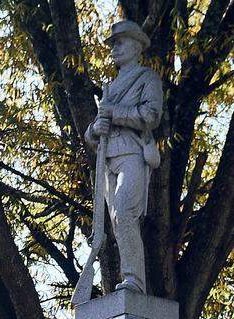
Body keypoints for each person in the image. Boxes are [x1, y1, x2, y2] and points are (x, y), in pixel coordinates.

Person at [84, 20, 163, 295]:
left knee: (125, 209)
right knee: (117, 218)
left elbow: (152, 115)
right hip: (108, 158)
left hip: (133, 152)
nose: (114, 48)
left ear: (136, 46)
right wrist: (95, 129)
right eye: (113, 44)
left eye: (120, 42)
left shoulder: (147, 79)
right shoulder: (109, 87)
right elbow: (92, 132)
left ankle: (134, 280)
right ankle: (127, 279)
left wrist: (114, 114)